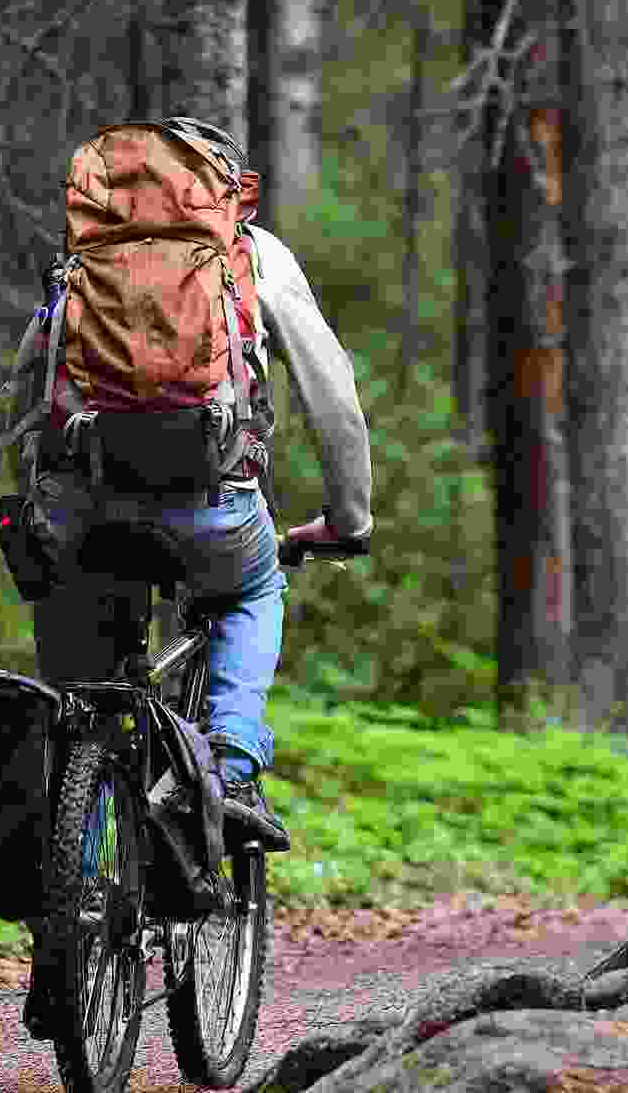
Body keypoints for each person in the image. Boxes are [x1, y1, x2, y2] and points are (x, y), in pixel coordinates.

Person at [26, 119, 373, 848]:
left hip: (79, 504)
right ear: (231, 195)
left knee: (80, 701)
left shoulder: (83, 260)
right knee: (254, 588)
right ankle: (235, 765)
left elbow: (30, 394)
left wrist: (41, 509)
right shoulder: (253, 257)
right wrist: (347, 520)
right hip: (213, 506)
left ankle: (70, 876)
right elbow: (332, 398)